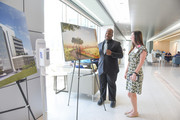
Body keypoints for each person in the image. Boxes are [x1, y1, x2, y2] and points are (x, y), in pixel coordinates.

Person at [97, 28, 123, 108]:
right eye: (106, 33)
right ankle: (102, 98)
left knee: (111, 84)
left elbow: (121, 55)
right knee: (102, 84)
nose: (107, 35)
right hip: (101, 68)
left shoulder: (116, 44)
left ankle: (112, 100)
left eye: (109, 33)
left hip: (112, 69)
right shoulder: (99, 44)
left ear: (112, 35)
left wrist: (112, 53)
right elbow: (98, 57)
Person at [124, 31, 147, 117]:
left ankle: (135, 112)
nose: (130, 38)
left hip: (136, 74)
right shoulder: (134, 48)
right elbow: (129, 62)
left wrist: (134, 73)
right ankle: (134, 109)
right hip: (130, 73)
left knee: (132, 93)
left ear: (136, 37)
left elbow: (141, 63)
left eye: (132, 36)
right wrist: (126, 71)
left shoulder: (142, 49)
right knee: (130, 93)